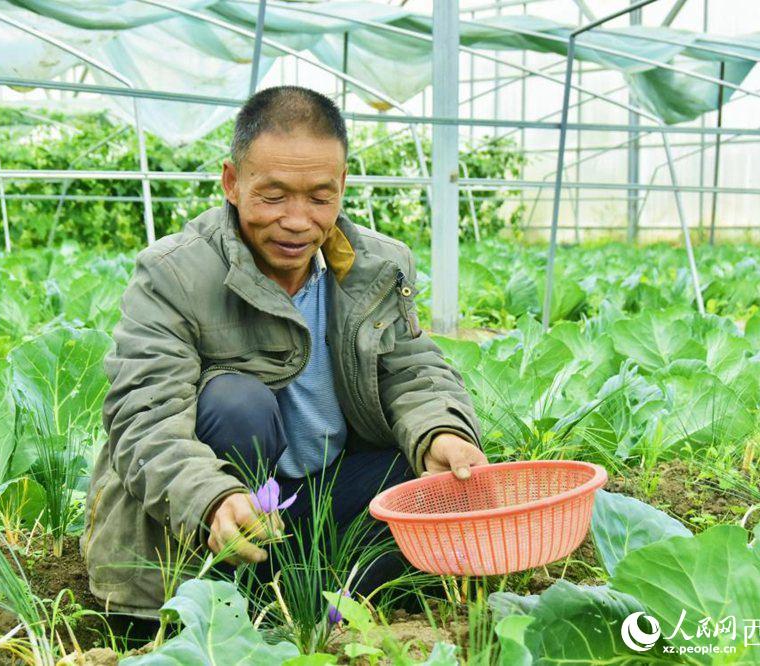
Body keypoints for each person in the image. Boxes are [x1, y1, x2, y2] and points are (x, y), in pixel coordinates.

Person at [80, 85, 486, 627]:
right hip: (220, 511)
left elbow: (411, 369)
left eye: (320, 197)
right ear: (232, 183)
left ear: (341, 186)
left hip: (320, 497)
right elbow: (144, 418)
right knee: (236, 402)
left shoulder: (376, 266)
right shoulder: (173, 274)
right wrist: (211, 498)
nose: (298, 221)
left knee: (422, 479)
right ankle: (245, 590)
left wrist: (441, 432)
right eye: (273, 197)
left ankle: (303, 595)